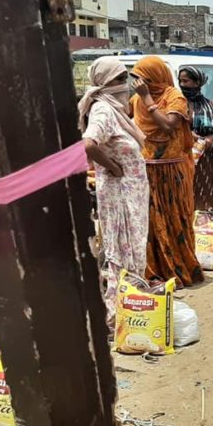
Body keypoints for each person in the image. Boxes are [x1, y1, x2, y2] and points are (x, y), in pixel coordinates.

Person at [79, 56, 149, 333]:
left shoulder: (115, 109)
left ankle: (131, 309)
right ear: (105, 83)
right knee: (122, 252)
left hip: (130, 193)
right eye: (120, 80)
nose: (126, 85)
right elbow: (88, 144)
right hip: (119, 194)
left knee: (132, 249)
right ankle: (117, 317)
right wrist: (112, 167)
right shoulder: (103, 111)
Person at [130, 55, 203, 287]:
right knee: (152, 223)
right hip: (147, 172)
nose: (139, 84)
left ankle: (179, 268)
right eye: (136, 79)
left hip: (172, 172)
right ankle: (155, 271)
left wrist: (147, 99)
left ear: (155, 77)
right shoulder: (135, 100)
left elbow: (169, 126)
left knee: (174, 220)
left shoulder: (174, 96)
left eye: (143, 78)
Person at [178, 66, 213, 210]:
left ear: (197, 83)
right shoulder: (177, 103)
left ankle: (203, 226)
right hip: (183, 155)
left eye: (186, 81)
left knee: (205, 193)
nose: (182, 85)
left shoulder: (209, 105)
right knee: (184, 193)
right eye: (180, 81)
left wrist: (209, 139)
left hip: (205, 158)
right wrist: (190, 135)